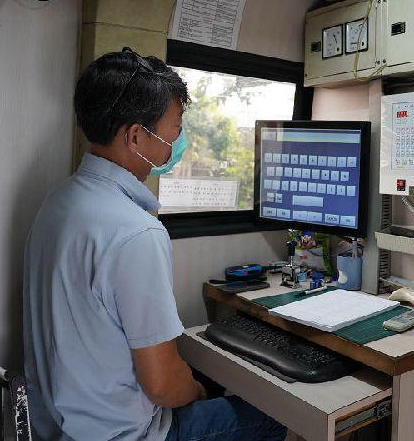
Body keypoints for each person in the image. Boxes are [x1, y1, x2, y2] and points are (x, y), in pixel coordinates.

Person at [23, 48, 286, 441]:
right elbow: (163, 386)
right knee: (279, 416)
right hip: (126, 436)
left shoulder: (58, 201)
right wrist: (198, 390)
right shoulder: (137, 234)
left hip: (57, 428)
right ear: (135, 136)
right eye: (175, 128)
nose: (177, 140)